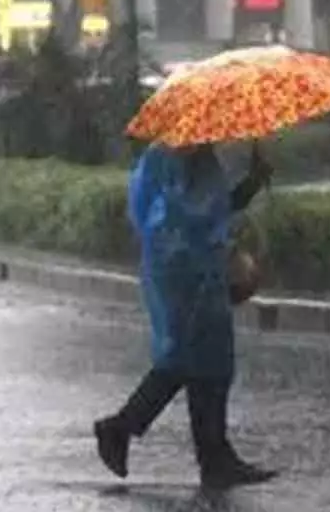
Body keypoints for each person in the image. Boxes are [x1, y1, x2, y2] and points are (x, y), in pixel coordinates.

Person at [93, 141, 277, 489]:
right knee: (194, 362)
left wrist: (252, 181)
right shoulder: (177, 155)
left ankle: (214, 457)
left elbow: (213, 209)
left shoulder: (192, 155)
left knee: (206, 364)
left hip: (193, 268)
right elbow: (194, 214)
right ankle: (123, 428)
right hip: (186, 272)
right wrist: (250, 186)